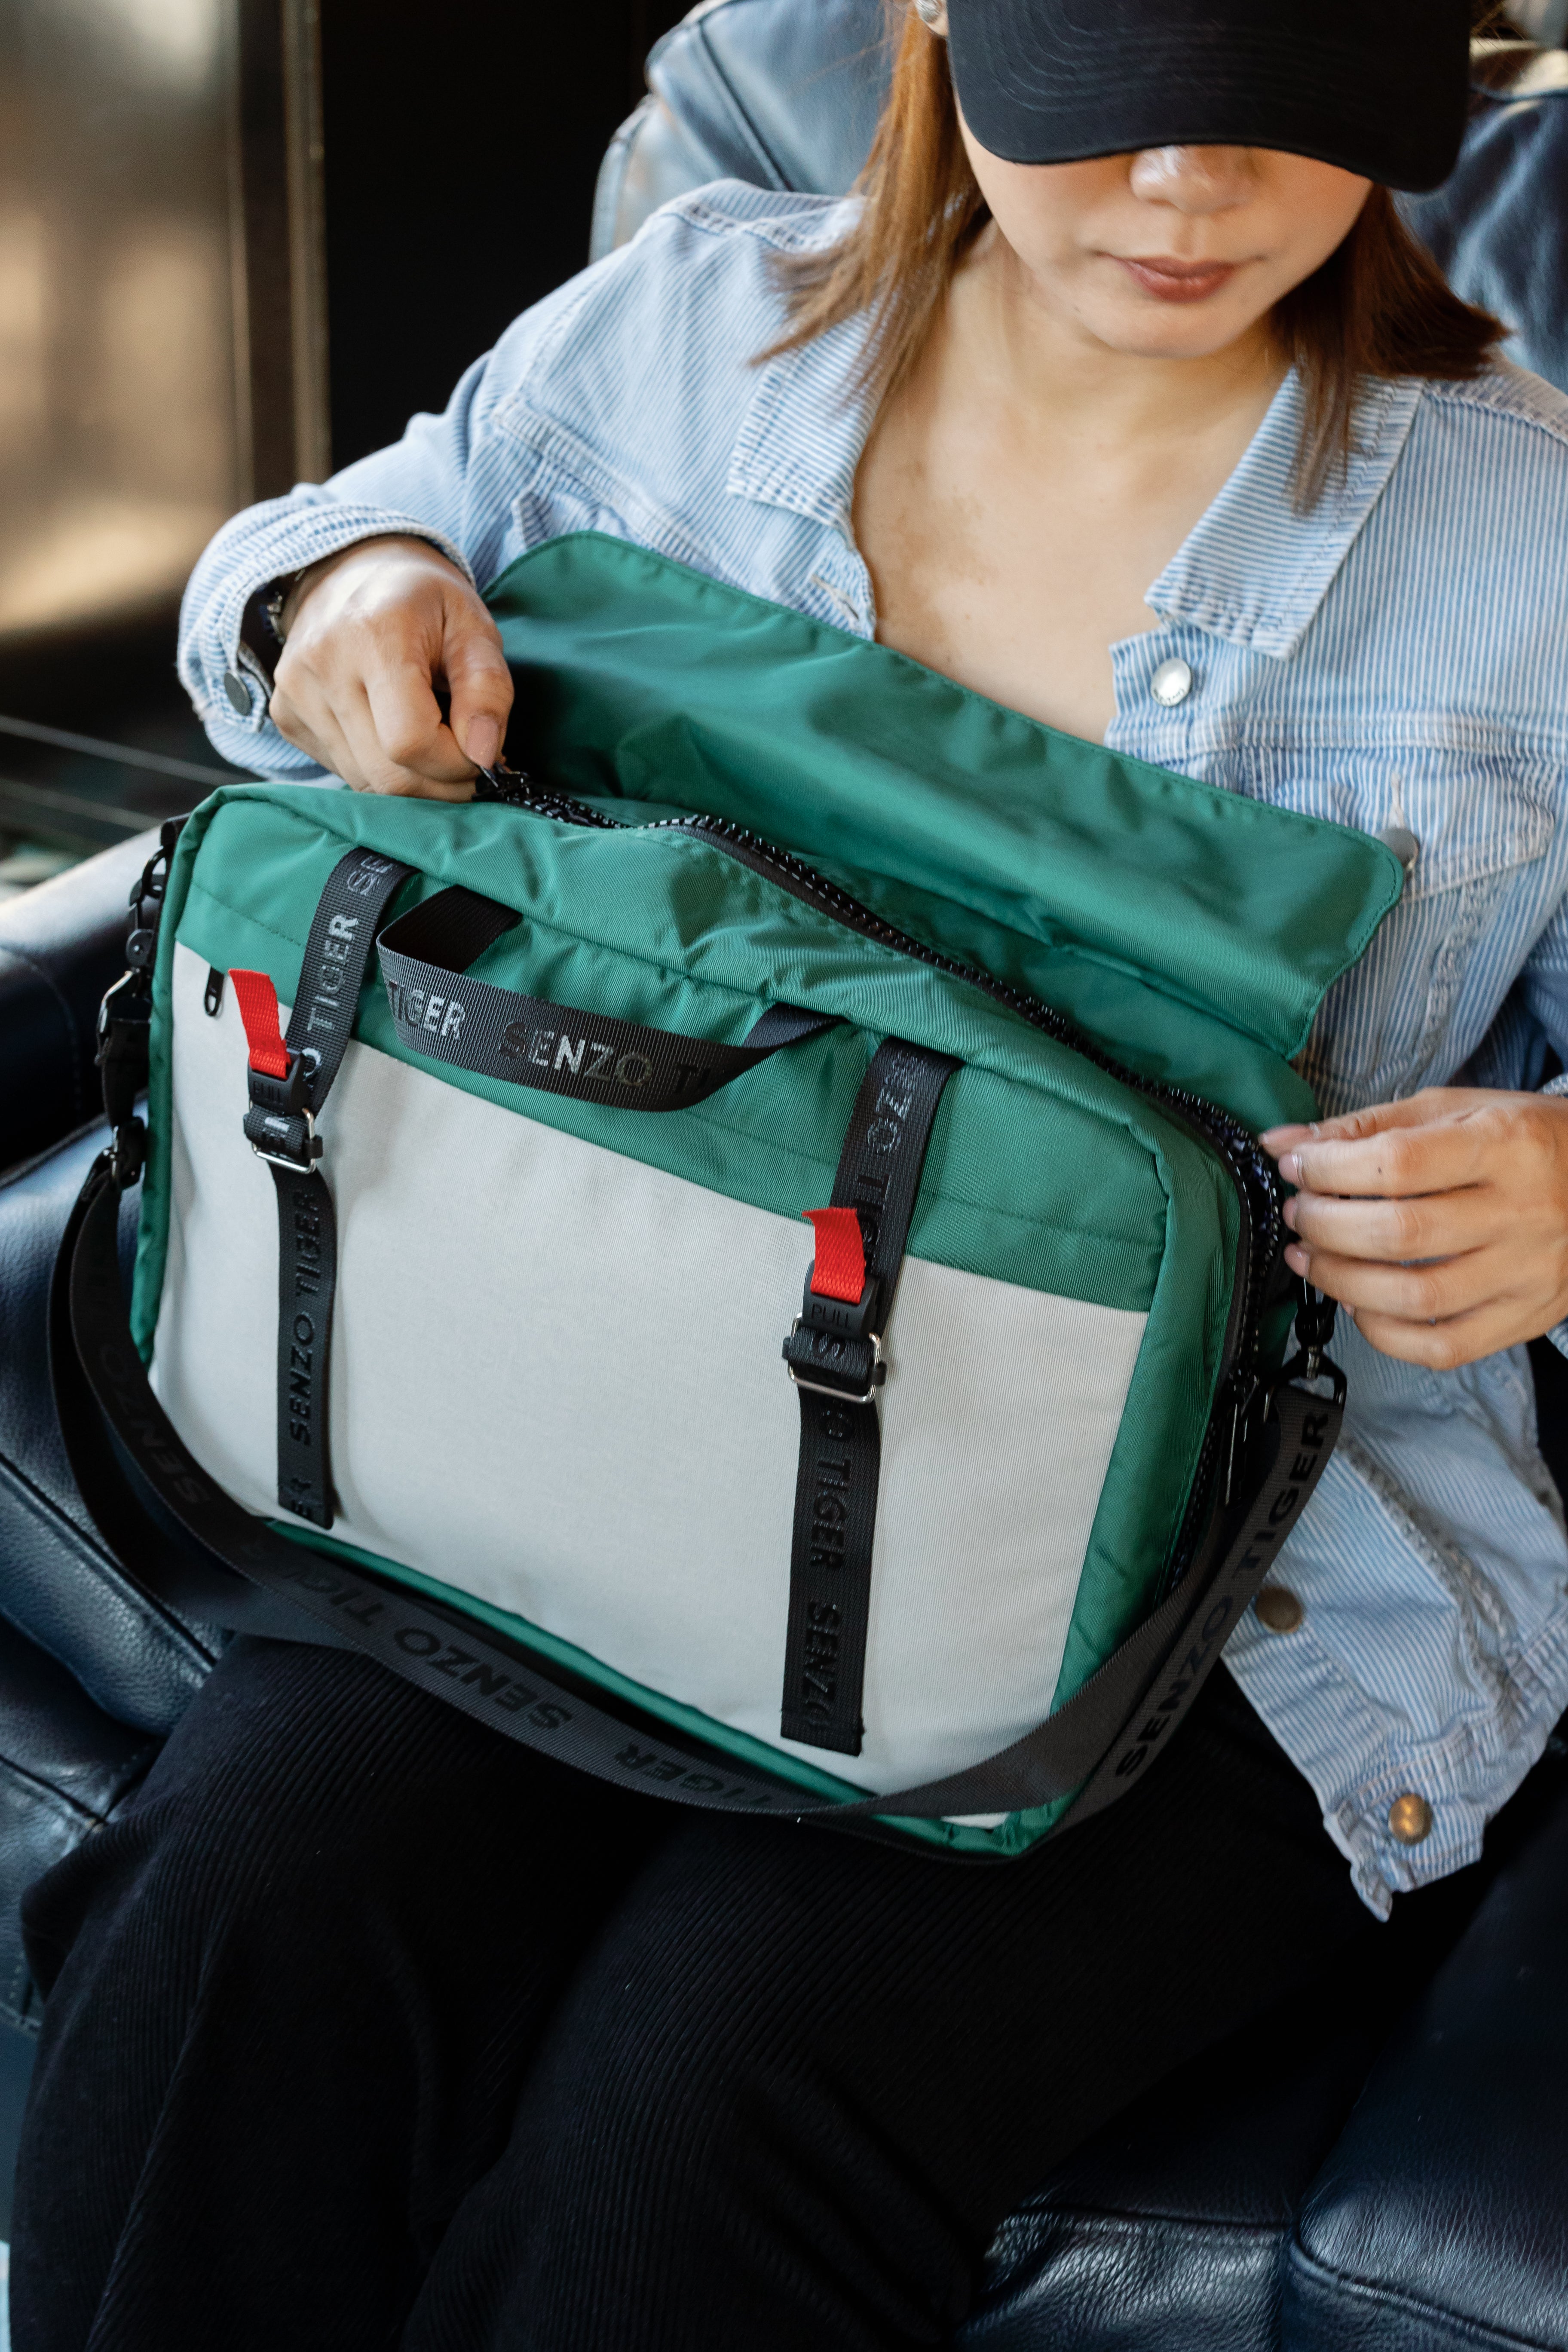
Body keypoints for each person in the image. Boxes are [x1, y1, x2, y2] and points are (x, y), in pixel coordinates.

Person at [16, 3, 1568, 2346]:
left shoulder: (1533, 546)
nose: (1186, 194)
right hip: (572, 1422)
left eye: (1282, 121)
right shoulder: (685, 323)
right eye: (1116, 104)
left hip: (1217, 1585)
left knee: (707, 2094)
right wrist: (343, 590)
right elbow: (346, 552)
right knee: (244, 1906)